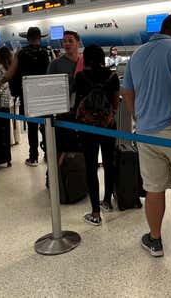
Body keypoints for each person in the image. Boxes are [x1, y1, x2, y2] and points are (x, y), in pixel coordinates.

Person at [121, 14, 171, 258]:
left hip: (147, 134)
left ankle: (155, 240)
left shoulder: (137, 54)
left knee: (154, 189)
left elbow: (127, 91)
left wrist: (137, 115)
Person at [74, 45, 120, 225]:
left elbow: (78, 101)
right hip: (108, 125)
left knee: (91, 166)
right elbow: (115, 103)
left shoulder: (80, 77)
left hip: (88, 128)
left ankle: (95, 213)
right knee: (109, 162)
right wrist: (108, 115)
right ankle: (107, 201)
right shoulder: (112, 76)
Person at [0, 27, 51, 167]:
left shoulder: (21, 53)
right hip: (45, 94)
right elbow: (53, 72)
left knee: (32, 126)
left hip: (28, 93)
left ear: (27, 38)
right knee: (46, 125)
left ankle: (33, 158)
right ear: (40, 38)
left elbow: (11, 73)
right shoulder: (48, 52)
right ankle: (49, 154)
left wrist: (0, 82)